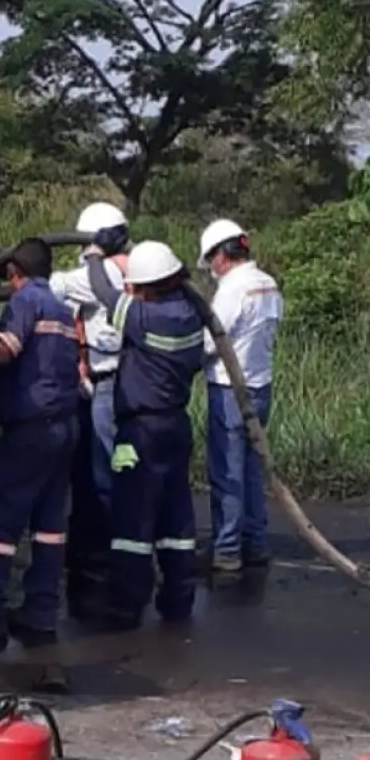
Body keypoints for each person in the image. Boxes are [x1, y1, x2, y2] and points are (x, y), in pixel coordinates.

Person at [0, 238, 81, 654]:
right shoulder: (63, 311)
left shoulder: (25, 302)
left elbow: (4, 353)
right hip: (64, 428)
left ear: (12, 273)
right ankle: (39, 615)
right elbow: (44, 373)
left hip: (30, 434)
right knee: (48, 527)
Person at [81, 240, 205, 629]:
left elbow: (103, 291)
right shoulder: (189, 315)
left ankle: (125, 605)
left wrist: (96, 255)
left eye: (136, 286)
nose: (131, 291)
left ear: (148, 287)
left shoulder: (144, 318)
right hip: (175, 426)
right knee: (176, 516)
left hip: (139, 432)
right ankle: (178, 597)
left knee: (132, 518)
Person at [49, 202, 130, 614]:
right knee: (90, 470)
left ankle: (97, 557)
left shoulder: (107, 273)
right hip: (98, 381)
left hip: (107, 384)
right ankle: (90, 548)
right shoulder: (129, 267)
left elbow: (57, 286)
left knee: (99, 474)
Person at [197, 219, 284, 573]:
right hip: (261, 387)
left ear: (221, 255)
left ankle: (228, 550)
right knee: (251, 468)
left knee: (227, 471)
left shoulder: (233, 289)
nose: (212, 269)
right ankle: (255, 543)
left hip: (230, 390)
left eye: (211, 260)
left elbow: (211, 340)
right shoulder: (268, 284)